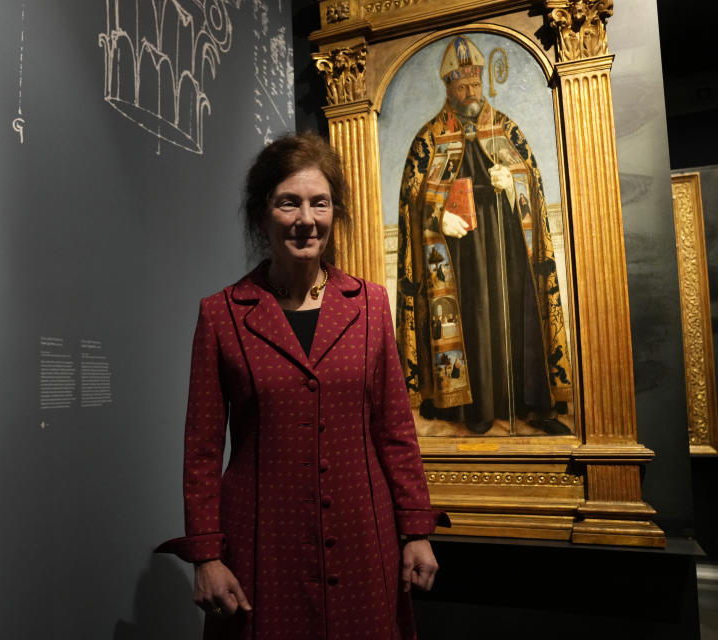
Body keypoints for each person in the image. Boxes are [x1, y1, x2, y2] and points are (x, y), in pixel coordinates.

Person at [157, 132, 447, 639]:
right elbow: (202, 449)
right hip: (261, 544)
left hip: (364, 538)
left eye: (320, 203)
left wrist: (417, 529)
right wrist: (206, 554)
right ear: (262, 213)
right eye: (288, 202)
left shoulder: (371, 306)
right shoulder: (222, 315)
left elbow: (396, 429)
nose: (306, 219)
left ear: (335, 213)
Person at [395, 36, 572, 435]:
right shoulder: (429, 137)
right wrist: (437, 216)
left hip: (506, 247)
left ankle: (528, 403)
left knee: (514, 312)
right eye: (462, 86)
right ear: (449, 88)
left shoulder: (505, 128)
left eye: (475, 84)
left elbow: (532, 178)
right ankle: (470, 410)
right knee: (472, 317)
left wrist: (511, 181)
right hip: (458, 255)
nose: (471, 92)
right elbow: (413, 194)